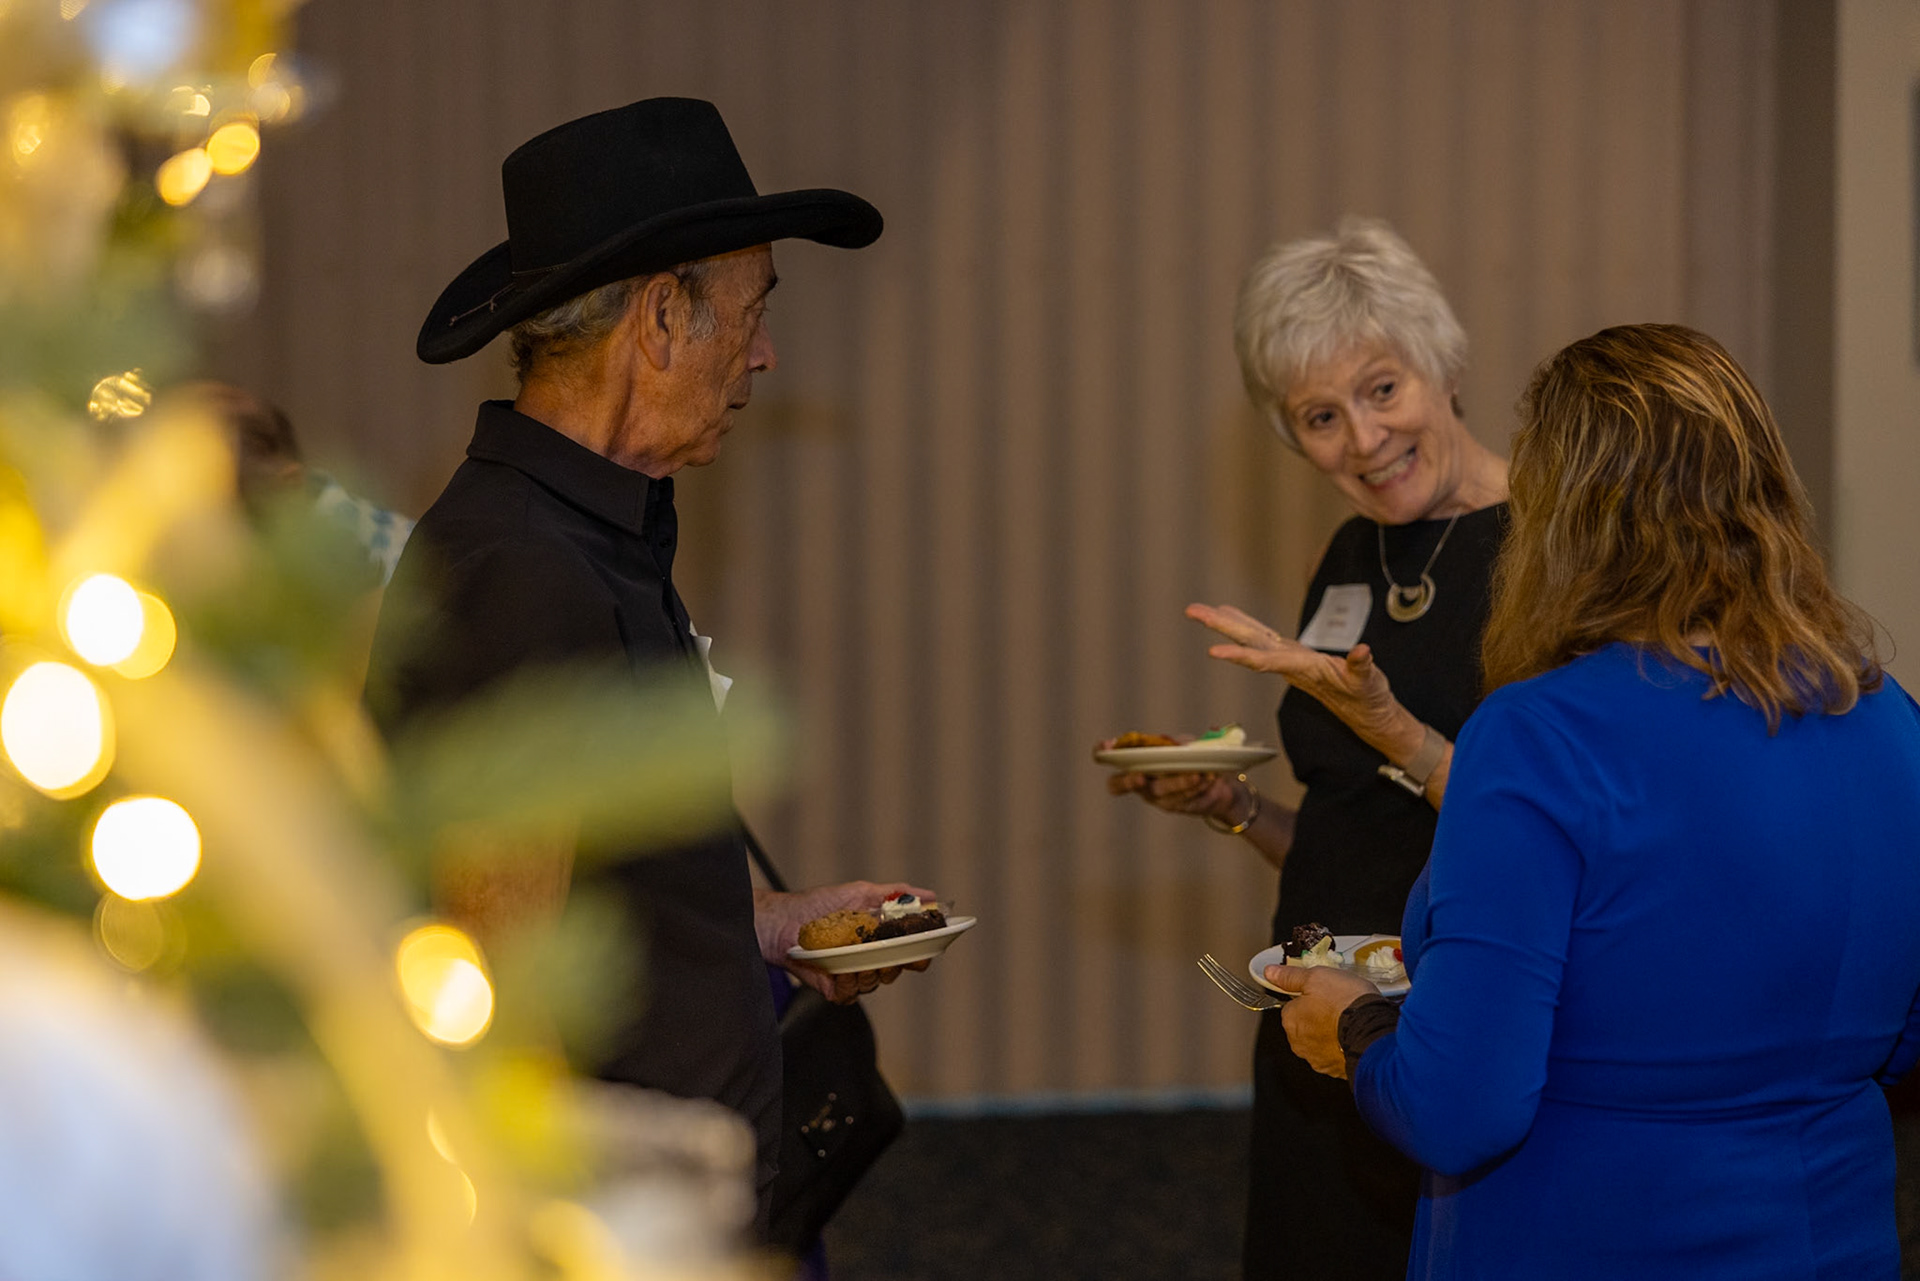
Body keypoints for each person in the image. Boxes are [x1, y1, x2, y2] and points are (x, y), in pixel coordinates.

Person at [364, 97, 934, 1235]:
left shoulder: (588, 532)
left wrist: (767, 924)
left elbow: (605, 880)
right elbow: (500, 975)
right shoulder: (523, 571)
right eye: (753, 312)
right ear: (664, 317)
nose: (763, 354)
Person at [1269, 323, 1920, 1279]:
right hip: (1827, 1236)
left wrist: (1356, 1027)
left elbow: (1456, 1108)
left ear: (1559, 518)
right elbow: (1904, 1035)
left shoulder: (1538, 735)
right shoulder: (1889, 716)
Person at [1102, 218, 1508, 1279]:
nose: (1363, 440)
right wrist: (1235, 809)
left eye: (1382, 389)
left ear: (1444, 365)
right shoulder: (1353, 554)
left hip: (1453, 1039)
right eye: (1321, 417)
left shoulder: (1548, 551)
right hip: (1315, 1020)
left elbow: (1551, 833)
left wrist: (1394, 728)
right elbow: (1353, 826)